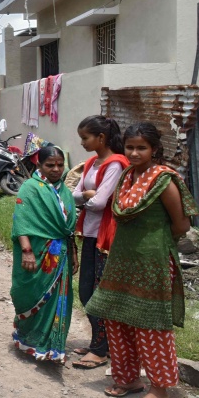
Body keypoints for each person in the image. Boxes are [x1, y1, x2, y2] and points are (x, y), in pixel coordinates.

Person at [86, 123, 198, 398]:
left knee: (151, 326)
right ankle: (128, 379)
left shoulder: (164, 180)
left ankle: (160, 390)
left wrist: (153, 242)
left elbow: (182, 225)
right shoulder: (126, 175)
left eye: (141, 147)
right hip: (122, 258)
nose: (134, 153)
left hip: (153, 262)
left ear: (154, 149)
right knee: (115, 317)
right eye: (130, 147)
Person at [10, 146, 78, 363]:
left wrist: (74, 253)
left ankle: (51, 347)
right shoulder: (30, 188)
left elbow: (68, 228)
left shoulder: (64, 191)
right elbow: (21, 222)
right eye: (50, 165)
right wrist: (27, 252)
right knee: (30, 295)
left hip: (61, 255)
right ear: (39, 165)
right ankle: (30, 340)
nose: (56, 169)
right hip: (37, 253)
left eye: (60, 164)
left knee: (58, 300)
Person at [71, 115, 128, 369]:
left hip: (107, 235)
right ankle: (99, 343)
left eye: (85, 138)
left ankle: (101, 349)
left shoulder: (116, 164)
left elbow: (100, 202)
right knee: (86, 290)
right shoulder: (92, 162)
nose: (82, 143)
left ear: (101, 138)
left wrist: (87, 197)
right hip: (92, 232)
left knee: (97, 291)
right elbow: (76, 196)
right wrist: (87, 195)